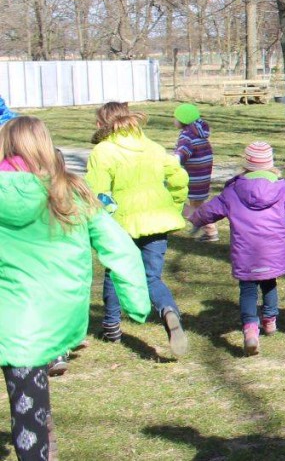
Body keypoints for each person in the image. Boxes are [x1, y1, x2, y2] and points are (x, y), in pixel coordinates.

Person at [0, 116, 151, 461]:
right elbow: (120, 248)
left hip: (15, 315)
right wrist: (137, 302)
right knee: (27, 404)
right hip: (44, 318)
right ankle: (40, 434)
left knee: (26, 393)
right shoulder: (70, 192)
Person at [187, 142, 285, 356]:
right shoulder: (282, 190)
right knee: (269, 283)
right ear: (270, 163)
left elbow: (209, 212)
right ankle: (270, 320)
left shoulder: (233, 190)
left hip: (246, 252)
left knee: (248, 289)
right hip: (272, 250)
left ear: (247, 164)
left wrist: (193, 216)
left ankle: (250, 331)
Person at [86, 101, 190, 358]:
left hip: (122, 224)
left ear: (102, 124)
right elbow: (179, 177)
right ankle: (168, 311)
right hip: (157, 221)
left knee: (115, 272)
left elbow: (98, 194)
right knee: (151, 277)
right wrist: (174, 206)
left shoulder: (103, 152)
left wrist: (107, 217)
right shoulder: (153, 148)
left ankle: (111, 326)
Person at [173, 103, 217, 242]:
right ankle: (201, 225)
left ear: (183, 120)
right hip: (203, 175)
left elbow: (183, 153)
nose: (173, 120)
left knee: (186, 204)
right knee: (197, 204)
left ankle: (210, 230)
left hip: (194, 177)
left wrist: (173, 160)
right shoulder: (199, 132)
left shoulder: (187, 136)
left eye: (175, 117)